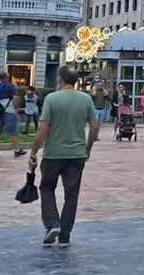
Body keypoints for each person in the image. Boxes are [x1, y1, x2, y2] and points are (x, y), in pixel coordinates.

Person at [28, 65, 97, 247]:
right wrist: (87, 148)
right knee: (71, 194)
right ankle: (65, 236)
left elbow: (43, 128)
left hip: (53, 154)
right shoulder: (85, 99)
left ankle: (52, 224)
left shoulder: (52, 99)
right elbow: (94, 126)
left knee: (47, 188)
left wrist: (34, 151)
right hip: (76, 154)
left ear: (60, 79)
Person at [0, 71, 24, 158]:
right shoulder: (10, 85)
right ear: (7, 77)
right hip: (8, 110)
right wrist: (16, 109)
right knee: (13, 131)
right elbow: (15, 98)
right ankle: (17, 150)